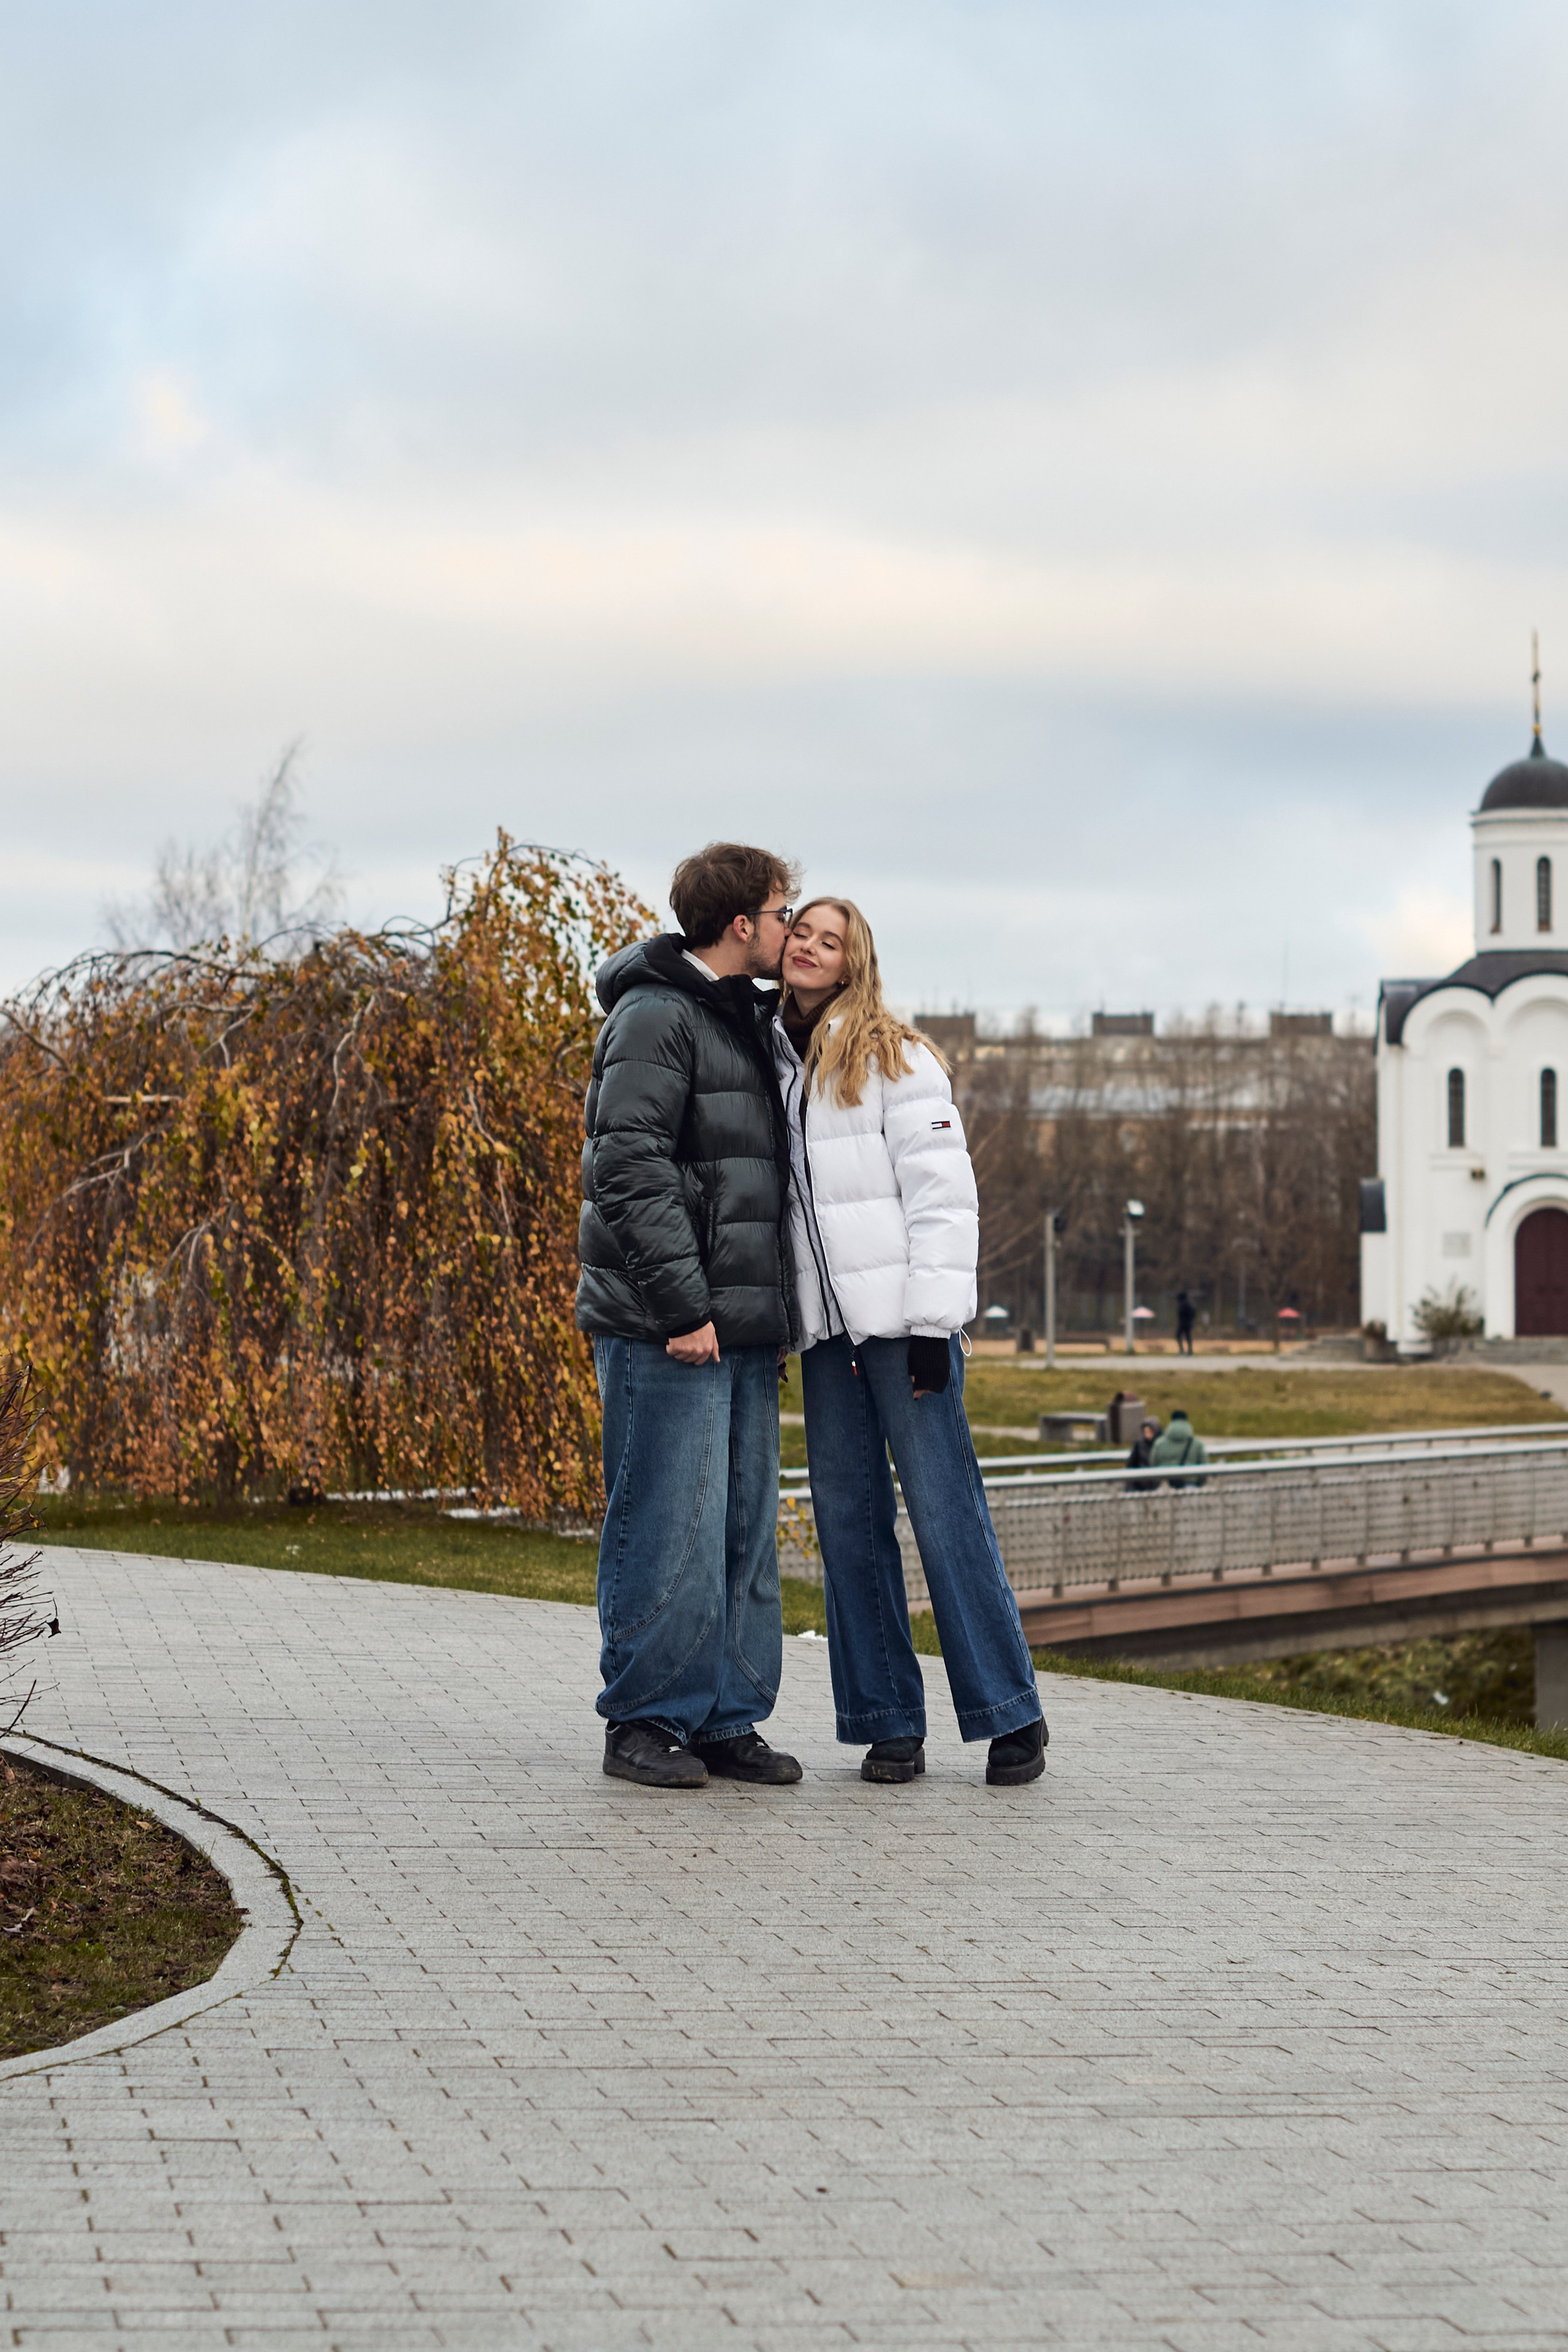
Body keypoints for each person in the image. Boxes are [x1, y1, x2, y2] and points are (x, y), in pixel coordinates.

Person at [772, 898, 1047, 1787]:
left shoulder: (897, 1056)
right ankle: (889, 1721)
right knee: (849, 1525)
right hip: (827, 1337)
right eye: (800, 934)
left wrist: (936, 1324)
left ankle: (1012, 1716)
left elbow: (942, 1199)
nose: (811, 948)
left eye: (830, 940)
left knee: (944, 1512)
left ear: (855, 963)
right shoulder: (773, 1060)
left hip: (903, 1332)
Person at [576, 842, 804, 1792]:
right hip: (671, 1323)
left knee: (738, 1530)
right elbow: (627, 1167)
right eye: (783, 911)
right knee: (667, 1521)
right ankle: (643, 1720)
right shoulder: (656, 1014)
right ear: (740, 922)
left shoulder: (742, 1020)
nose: (792, 929)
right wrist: (684, 1307)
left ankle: (725, 1717)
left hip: (741, 1327)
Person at [1150, 1405, 1208, 1489]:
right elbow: (1203, 1466)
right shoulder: (1196, 1444)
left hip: (1166, 1487)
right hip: (1190, 1486)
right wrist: (1199, 1484)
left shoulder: (1159, 1444)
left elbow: (1154, 1464)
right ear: (1186, 1422)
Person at [1123, 1415, 1162, 1491]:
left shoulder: (1161, 1445)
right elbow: (1131, 1464)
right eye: (1146, 1432)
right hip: (1141, 1485)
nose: (1147, 1435)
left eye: (1150, 1432)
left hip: (1156, 1484)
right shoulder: (1139, 1445)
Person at [1175, 1289, 1196, 1355]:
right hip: (1188, 1323)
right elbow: (1193, 1313)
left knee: (1179, 1336)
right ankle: (1189, 1351)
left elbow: (1182, 1314)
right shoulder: (1189, 1304)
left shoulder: (1183, 1305)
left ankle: (1183, 1350)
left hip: (1184, 1323)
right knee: (1188, 1337)